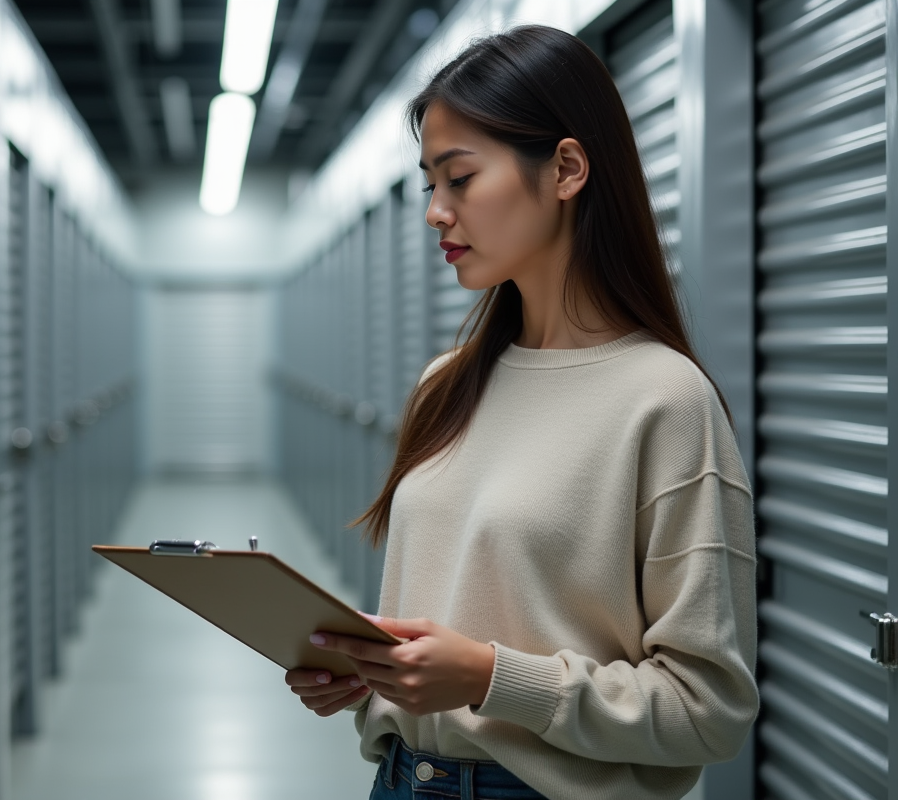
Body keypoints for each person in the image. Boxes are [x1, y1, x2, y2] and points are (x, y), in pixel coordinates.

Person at [282, 25, 758, 800]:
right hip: (404, 781)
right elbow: (443, 619)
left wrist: (489, 677)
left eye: (459, 178)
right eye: (429, 184)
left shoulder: (665, 402)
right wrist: (368, 678)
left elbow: (709, 711)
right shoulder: (448, 384)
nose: (436, 212)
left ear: (567, 169)